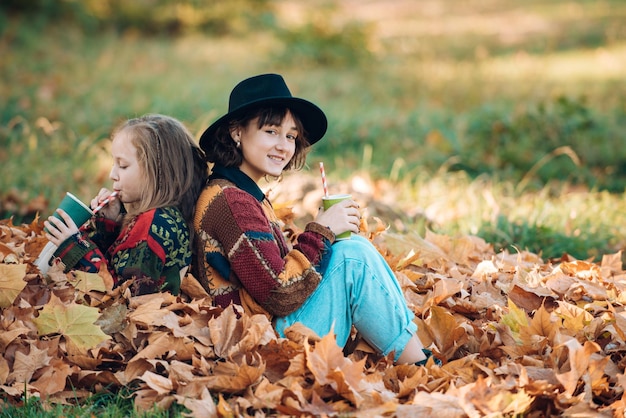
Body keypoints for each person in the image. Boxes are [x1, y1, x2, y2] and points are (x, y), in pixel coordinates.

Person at [193, 73, 432, 365]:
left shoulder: (240, 193)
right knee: (353, 257)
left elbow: (269, 268)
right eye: (271, 131)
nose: (283, 145)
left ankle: (419, 359)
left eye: (291, 136)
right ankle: (422, 367)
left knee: (351, 248)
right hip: (258, 345)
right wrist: (322, 232)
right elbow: (278, 292)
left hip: (267, 328)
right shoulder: (232, 202)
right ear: (236, 132)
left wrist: (322, 235)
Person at [44, 114, 208, 296]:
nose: (112, 174)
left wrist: (75, 248)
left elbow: (124, 297)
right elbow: (122, 265)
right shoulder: (165, 216)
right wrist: (111, 224)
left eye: (122, 166)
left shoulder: (152, 224)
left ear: (157, 171)